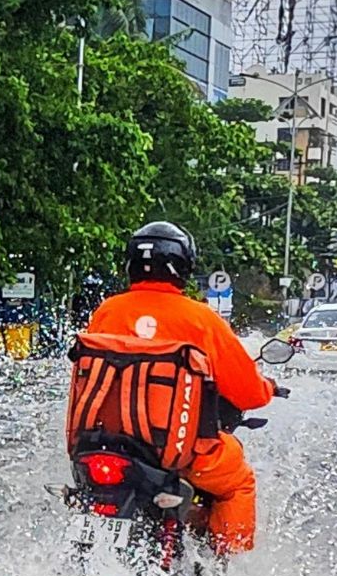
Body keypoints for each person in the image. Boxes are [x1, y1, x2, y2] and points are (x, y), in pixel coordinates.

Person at [72, 221, 276, 554]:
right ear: (183, 267)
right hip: (177, 453)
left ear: (130, 265)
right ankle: (227, 570)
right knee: (238, 484)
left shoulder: (106, 311)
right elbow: (249, 394)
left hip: (101, 445)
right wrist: (267, 388)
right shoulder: (200, 319)